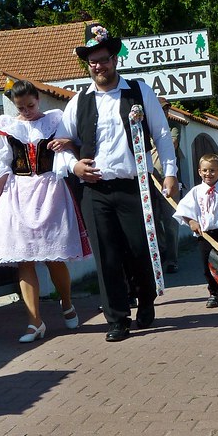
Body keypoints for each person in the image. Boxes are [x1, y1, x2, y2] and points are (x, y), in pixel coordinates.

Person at [58, 25, 178, 342]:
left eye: (104, 60)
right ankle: (117, 319)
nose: (99, 66)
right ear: (88, 65)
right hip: (95, 190)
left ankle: (146, 301)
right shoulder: (79, 101)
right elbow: (62, 143)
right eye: (93, 62)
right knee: (107, 255)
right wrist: (74, 166)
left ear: (115, 59)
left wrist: (170, 173)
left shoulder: (139, 92)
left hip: (135, 186)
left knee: (139, 249)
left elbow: (162, 135)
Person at [0, 80, 89, 342]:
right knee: (24, 259)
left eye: (30, 105)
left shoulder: (54, 122)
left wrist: (66, 144)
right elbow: (1, 170)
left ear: (38, 100)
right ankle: (34, 322)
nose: (27, 111)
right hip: (18, 195)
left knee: (54, 257)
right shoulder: (7, 128)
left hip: (50, 191)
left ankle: (66, 303)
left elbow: (74, 146)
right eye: (21, 107)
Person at [173, 153, 218, 311]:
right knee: (207, 267)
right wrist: (191, 221)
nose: (208, 174)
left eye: (212, 170)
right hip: (204, 236)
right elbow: (183, 209)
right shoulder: (196, 192)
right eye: (205, 170)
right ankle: (213, 293)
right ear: (199, 172)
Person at [151, 104, 182, 273]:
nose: (164, 112)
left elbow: (173, 144)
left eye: (166, 109)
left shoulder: (172, 126)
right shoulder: (146, 126)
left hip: (167, 180)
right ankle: (162, 251)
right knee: (153, 221)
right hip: (150, 180)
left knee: (170, 221)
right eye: (161, 109)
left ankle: (172, 260)